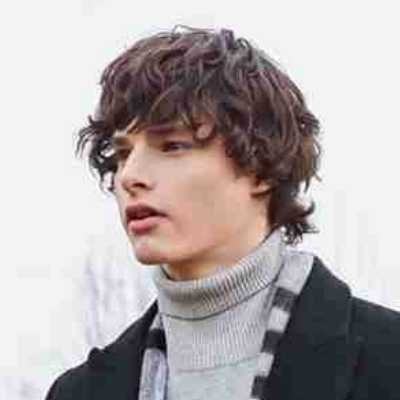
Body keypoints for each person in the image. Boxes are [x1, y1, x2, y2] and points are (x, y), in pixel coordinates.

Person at [45, 26, 400, 400]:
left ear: (260, 167)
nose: (130, 175)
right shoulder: (80, 392)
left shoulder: (388, 361)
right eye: (122, 154)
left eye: (172, 146)